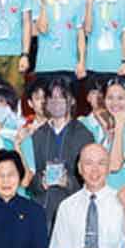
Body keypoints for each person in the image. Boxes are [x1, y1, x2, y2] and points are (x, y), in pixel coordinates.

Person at [23, 82, 95, 224]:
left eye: (61, 97)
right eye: (52, 97)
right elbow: (28, 178)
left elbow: (92, 177)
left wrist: (68, 182)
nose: (56, 102)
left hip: (73, 210)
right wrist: (40, 182)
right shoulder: (36, 135)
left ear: (72, 100)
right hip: (42, 209)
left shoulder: (84, 135)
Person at [32, 0, 86, 84]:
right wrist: (44, 5)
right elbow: (42, 29)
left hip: (69, 65)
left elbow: (80, 36)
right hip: (45, 66)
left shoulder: (75, 6)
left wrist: (82, 62)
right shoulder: (39, 4)